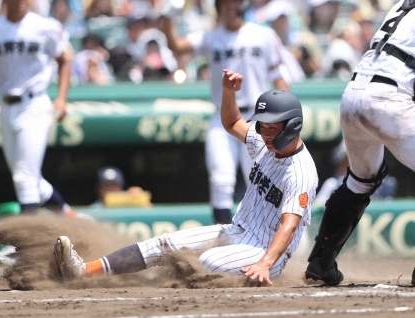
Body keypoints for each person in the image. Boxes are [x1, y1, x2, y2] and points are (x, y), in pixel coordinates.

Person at [52, 69, 318, 285]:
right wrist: (228, 93)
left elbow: (289, 225)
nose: (265, 132)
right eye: (263, 126)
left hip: (263, 249)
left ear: (292, 126)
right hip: (237, 230)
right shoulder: (263, 142)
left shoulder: (301, 171)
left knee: (209, 262)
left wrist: (265, 263)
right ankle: (85, 271)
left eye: (273, 127)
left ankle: (159, 282)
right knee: (165, 244)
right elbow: (231, 122)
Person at [305, 0, 415, 286]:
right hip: (389, 97)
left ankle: (321, 261)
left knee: (360, 181)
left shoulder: (402, 5)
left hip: (354, 92)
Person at [158, 0, 290, 225]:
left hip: (257, 118)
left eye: (235, 1)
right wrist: (169, 17)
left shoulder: (263, 35)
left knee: (261, 181)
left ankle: (261, 239)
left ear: (243, 5)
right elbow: (176, 46)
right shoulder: (211, 36)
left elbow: (278, 76)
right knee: (221, 181)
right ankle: (225, 241)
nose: (231, 6)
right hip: (223, 117)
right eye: (225, 2)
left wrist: (285, 116)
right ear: (219, 6)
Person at [0, 0, 75, 216]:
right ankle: (69, 217)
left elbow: (65, 58)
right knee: (30, 178)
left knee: (24, 176)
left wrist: (62, 98)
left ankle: (28, 242)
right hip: (5, 106)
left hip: (34, 103)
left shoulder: (44, 26)